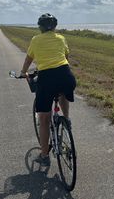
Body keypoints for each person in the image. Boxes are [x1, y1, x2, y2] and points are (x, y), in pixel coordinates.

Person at [20, 13, 77, 166]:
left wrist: (23, 72)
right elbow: (65, 55)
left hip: (46, 79)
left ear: (40, 27)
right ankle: (66, 119)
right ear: (55, 27)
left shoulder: (36, 40)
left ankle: (44, 155)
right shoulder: (61, 38)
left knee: (44, 120)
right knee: (64, 91)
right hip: (66, 74)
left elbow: (29, 58)